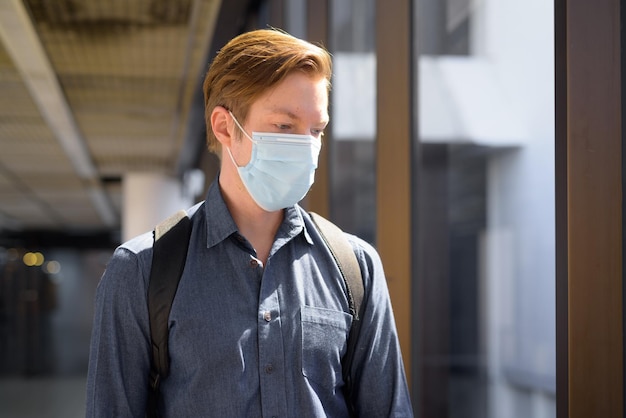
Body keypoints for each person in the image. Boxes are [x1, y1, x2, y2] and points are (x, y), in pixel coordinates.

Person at [86, 28, 413, 417]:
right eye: (284, 126)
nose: (307, 147)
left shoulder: (355, 267)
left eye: (316, 130)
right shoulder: (141, 270)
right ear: (225, 127)